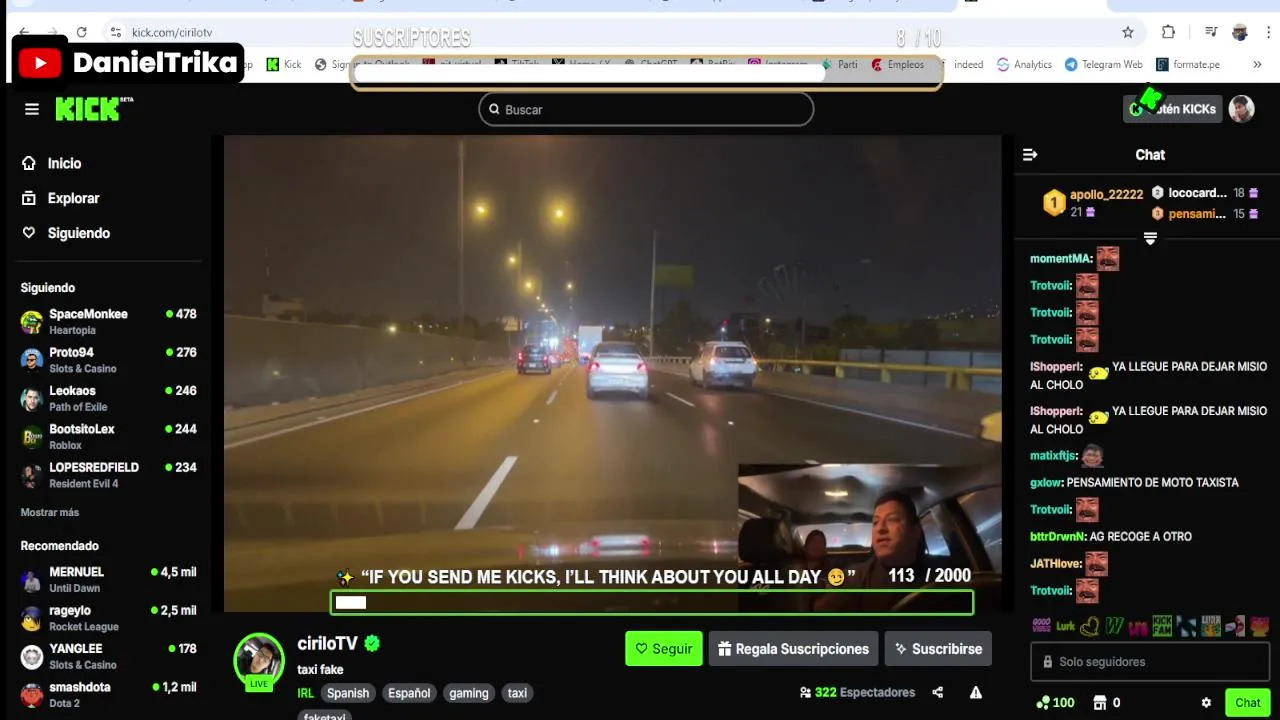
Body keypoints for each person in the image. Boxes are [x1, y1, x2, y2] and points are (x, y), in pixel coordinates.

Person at [814, 491, 950, 612]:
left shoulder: (946, 571)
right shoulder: (854, 579)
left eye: (892, 519)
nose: (880, 529)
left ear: (916, 530)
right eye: (876, 522)